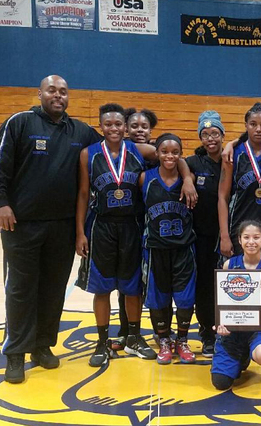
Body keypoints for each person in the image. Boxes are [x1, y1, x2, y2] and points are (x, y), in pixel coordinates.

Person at [0, 75, 101, 384]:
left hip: (61, 227)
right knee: (21, 290)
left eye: (63, 92)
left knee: (52, 289)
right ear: (40, 94)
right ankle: (15, 354)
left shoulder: (80, 131)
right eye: (52, 90)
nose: (58, 96)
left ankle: (42, 346)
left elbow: (115, 147)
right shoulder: (20, 122)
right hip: (21, 224)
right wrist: (0, 203)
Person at [75, 103, 196, 368]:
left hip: (132, 225)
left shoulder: (139, 150)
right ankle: (102, 342)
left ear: (123, 126)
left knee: (132, 287)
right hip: (102, 226)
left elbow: (173, 154)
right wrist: (79, 233)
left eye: (118, 124)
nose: (114, 128)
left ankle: (134, 337)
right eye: (109, 124)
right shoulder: (89, 154)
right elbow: (83, 194)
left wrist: (187, 178)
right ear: (101, 126)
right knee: (102, 287)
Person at [211, 220, 261, 389]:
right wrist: (221, 324)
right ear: (239, 240)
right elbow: (223, 302)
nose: (251, 242)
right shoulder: (229, 265)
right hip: (235, 329)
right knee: (220, 382)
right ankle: (242, 356)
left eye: (256, 237)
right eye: (246, 237)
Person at [142, 133, 198, 365]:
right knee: (159, 298)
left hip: (184, 248)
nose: (169, 155)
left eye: (175, 152)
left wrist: (187, 178)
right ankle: (164, 340)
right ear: (156, 153)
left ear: (181, 155)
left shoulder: (189, 178)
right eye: (164, 151)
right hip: (155, 249)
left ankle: (182, 340)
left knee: (185, 299)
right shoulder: (145, 178)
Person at [112, 107, 160, 352]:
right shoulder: (116, 153)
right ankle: (126, 331)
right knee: (126, 281)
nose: (139, 130)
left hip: (151, 226)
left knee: (144, 282)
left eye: (144, 127)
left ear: (151, 131)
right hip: (125, 224)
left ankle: (152, 331)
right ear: (125, 129)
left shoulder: (159, 153)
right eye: (134, 126)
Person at [218, 102, 261, 257]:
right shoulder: (233, 155)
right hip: (240, 229)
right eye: (253, 124)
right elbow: (222, 197)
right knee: (241, 279)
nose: (258, 129)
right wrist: (224, 236)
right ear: (246, 125)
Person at [186, 110, 225, 357]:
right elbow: (180, 164)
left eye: (215, 133)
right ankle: (207, 333)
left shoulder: (233, 158)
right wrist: (188, 181)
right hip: (202, 235)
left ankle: (231, 331)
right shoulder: (193, 163)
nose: (210, 138)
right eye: (205, 134)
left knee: (228, 285)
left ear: (223, 135)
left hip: (230, 235)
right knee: (204, 286)